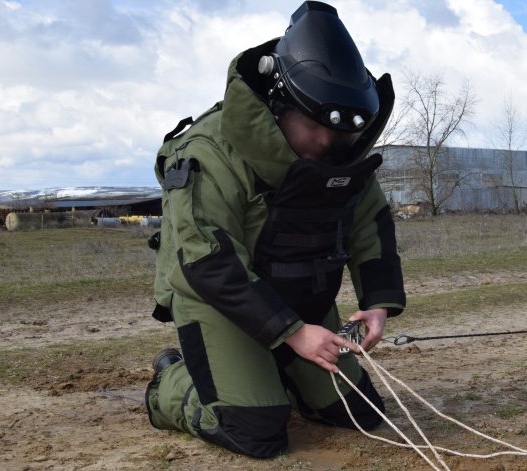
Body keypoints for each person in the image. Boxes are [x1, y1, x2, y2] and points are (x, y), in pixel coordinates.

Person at [144, 1, 405, 459]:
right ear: (280, 106)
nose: (328, 145)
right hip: (218, 300)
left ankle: (271, 368)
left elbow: (371, 226)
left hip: (299, 300)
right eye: (315, 129)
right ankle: (171, 377)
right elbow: (208, 260)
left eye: (339, 135)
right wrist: (292, 333)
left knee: (358, 411)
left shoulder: (342, 148)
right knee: (255, 431)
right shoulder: (208, 151)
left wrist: (378, 305)